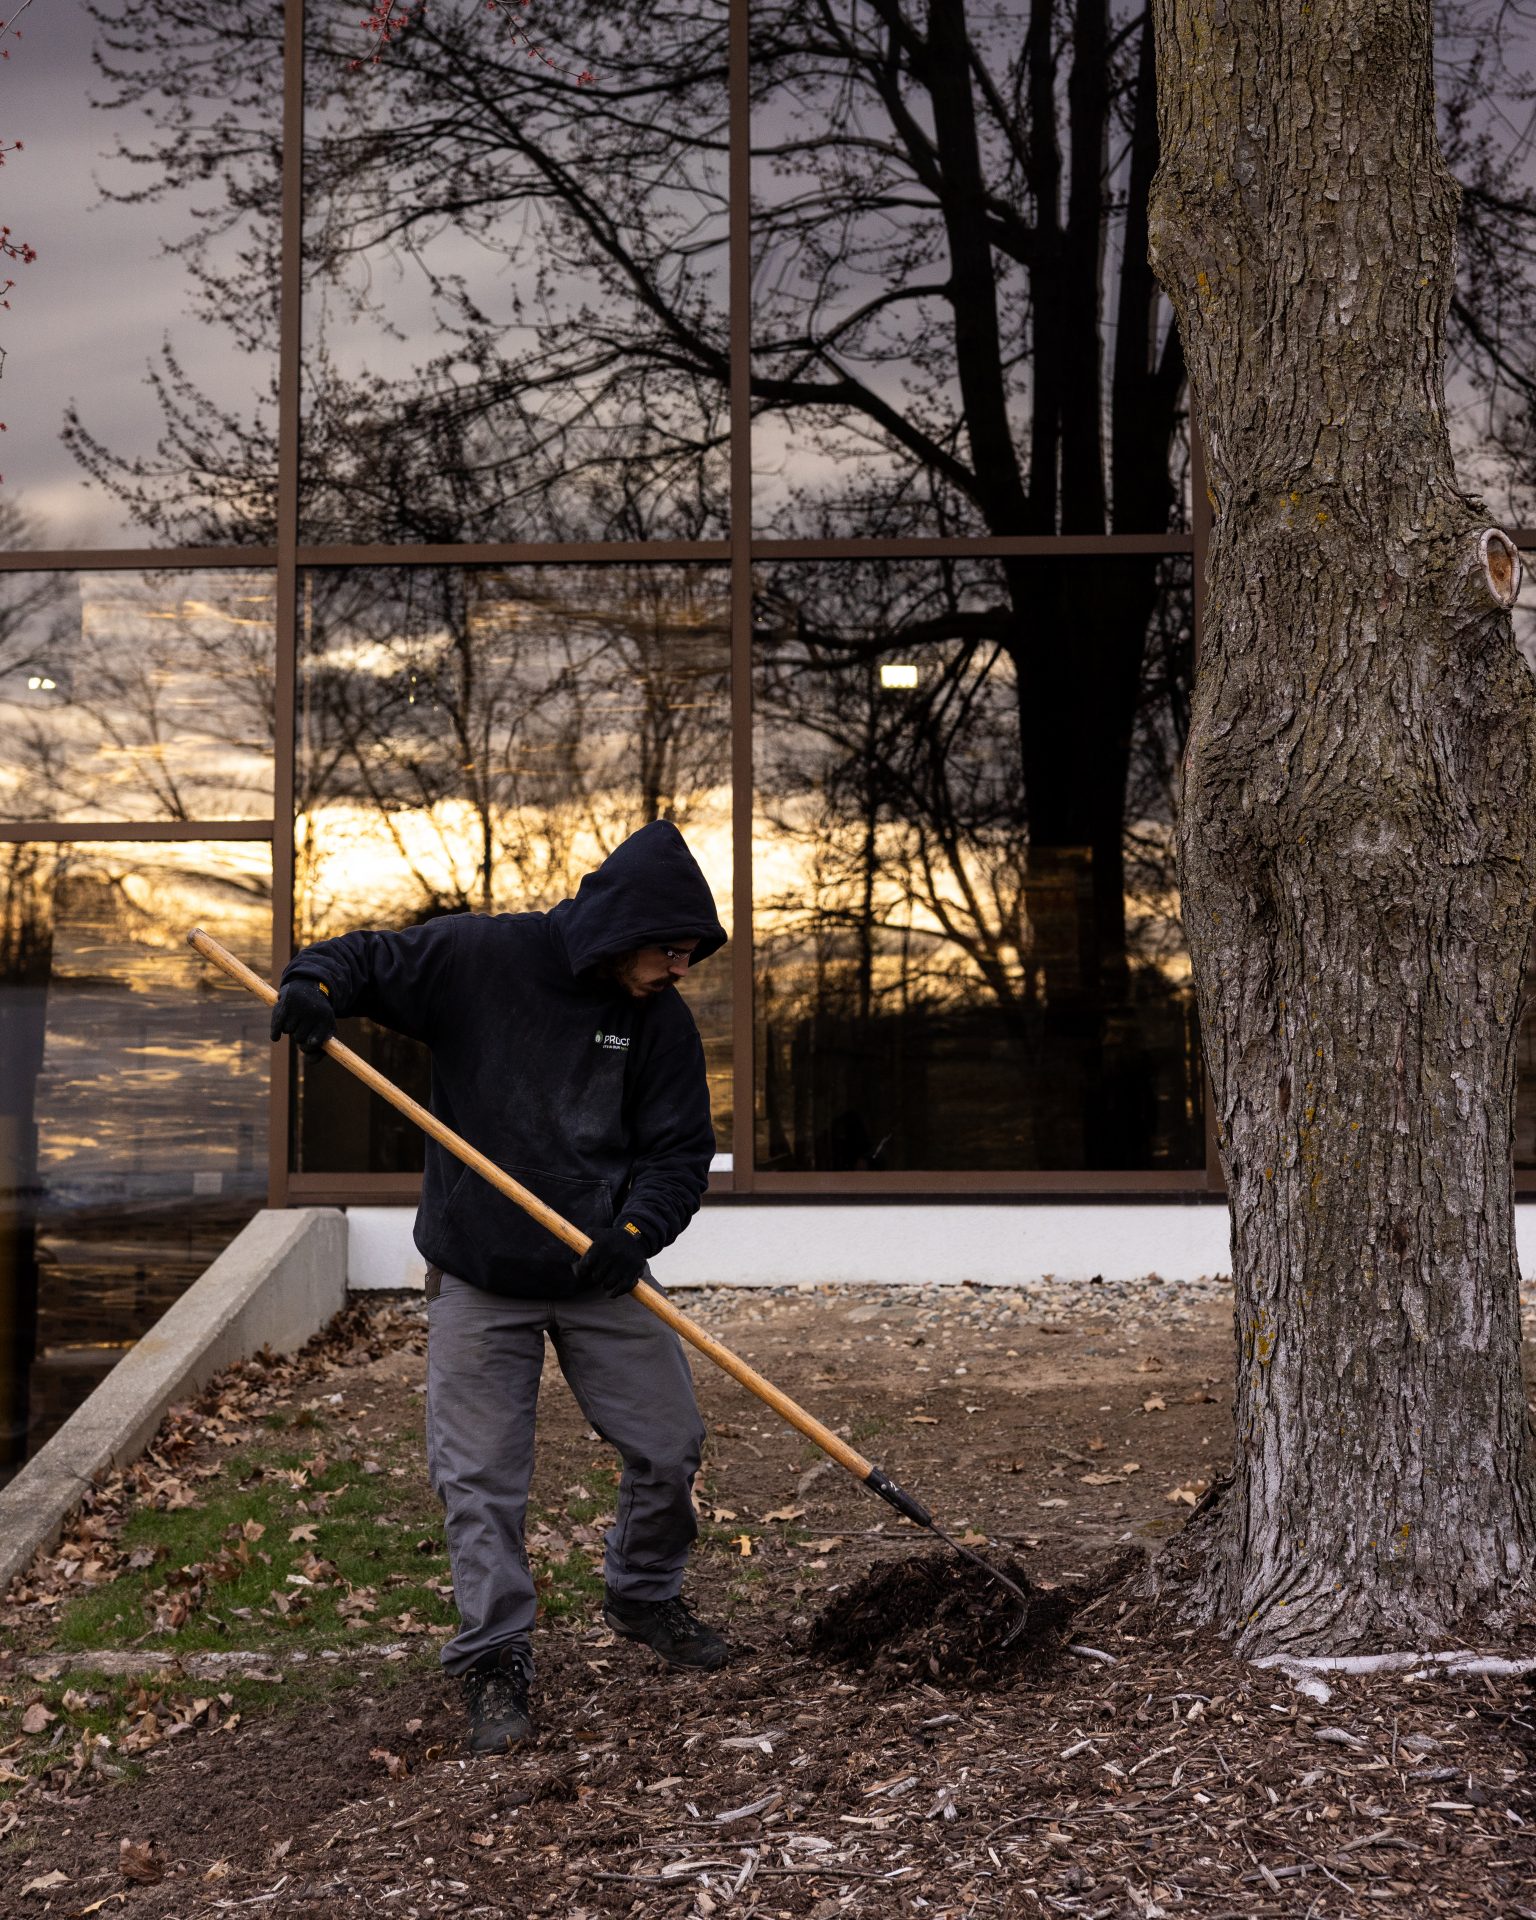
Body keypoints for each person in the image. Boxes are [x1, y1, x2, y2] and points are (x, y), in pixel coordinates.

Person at [270, 820, 729, 1753]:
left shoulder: (658, 1023)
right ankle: (494, 1658)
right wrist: (314, 985)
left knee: (670, 1445)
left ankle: (643, 1596)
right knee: (480, 1480)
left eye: (692, 952)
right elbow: (363, 958)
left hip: (597, 1272)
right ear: (624, 927)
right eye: (673, 948)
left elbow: (680, 1152)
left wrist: (635, 1230)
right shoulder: (481, 958)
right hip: (480, 1272)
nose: (682, 967)